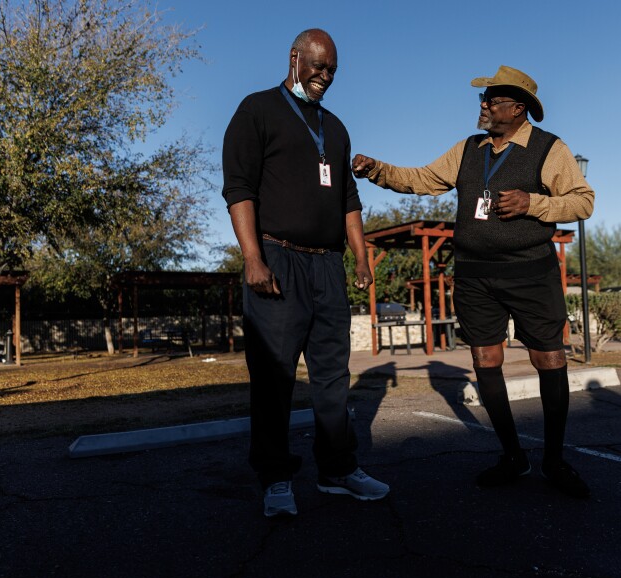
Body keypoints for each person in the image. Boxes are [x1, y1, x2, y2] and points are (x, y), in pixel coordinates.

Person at [352, 65, 595, 498]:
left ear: (518, 108)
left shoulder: (549, 148)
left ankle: (554, 460)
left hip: (531, 272)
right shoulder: (468, 149)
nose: (483, 107)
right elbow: (422, 179)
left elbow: (583, 201)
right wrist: (377, 170)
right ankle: (513, 457)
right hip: (475, 275)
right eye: (482, 100)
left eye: (492, 101)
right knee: (485, 360)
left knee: (549, 361)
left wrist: (532, 203)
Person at [222, 29, 389, 517]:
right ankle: (275, 479)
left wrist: (359, 257)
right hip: (277, 258)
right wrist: (252, 258)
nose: (325, 76)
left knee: (334, 375)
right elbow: (239, 189)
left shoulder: (335, 128)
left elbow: (348, 202)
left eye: (332, 70)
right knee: (274, 377)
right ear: (295, 58)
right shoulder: (256, 110)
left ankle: (338, 470)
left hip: (327, 265)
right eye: (318, 66)